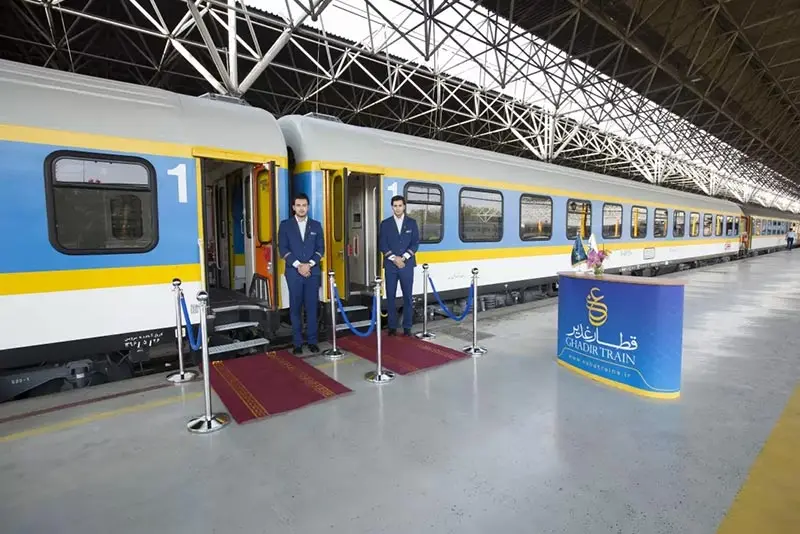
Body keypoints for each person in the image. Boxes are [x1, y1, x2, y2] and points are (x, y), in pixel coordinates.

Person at [278, 193, 324, 354]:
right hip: (293, 273)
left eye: (304, 205)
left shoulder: (316, 226)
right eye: (298, 205)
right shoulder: (285, 225)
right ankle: (297, 343)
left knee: (312, 308)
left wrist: (309, 265)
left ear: (308, 207)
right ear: (293, 207)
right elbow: (283, 249)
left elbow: (320, 249)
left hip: (312, 272)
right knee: (295, 308)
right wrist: (299, 266)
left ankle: (312, 341)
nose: (301, 208)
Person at [379, 195, 420, 336]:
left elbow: (415, 243)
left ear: (404, 206)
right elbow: (382, 244)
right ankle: (392, 327)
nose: (397, 208)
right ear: (392, 207)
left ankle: (407, 327)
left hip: (407, 265)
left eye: (400, 205)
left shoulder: (412, 223)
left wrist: (404, 257)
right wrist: (394, 258)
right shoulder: (385, 224)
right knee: (390, 296)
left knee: (408, 296)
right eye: (395, 206)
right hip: (391, 266)